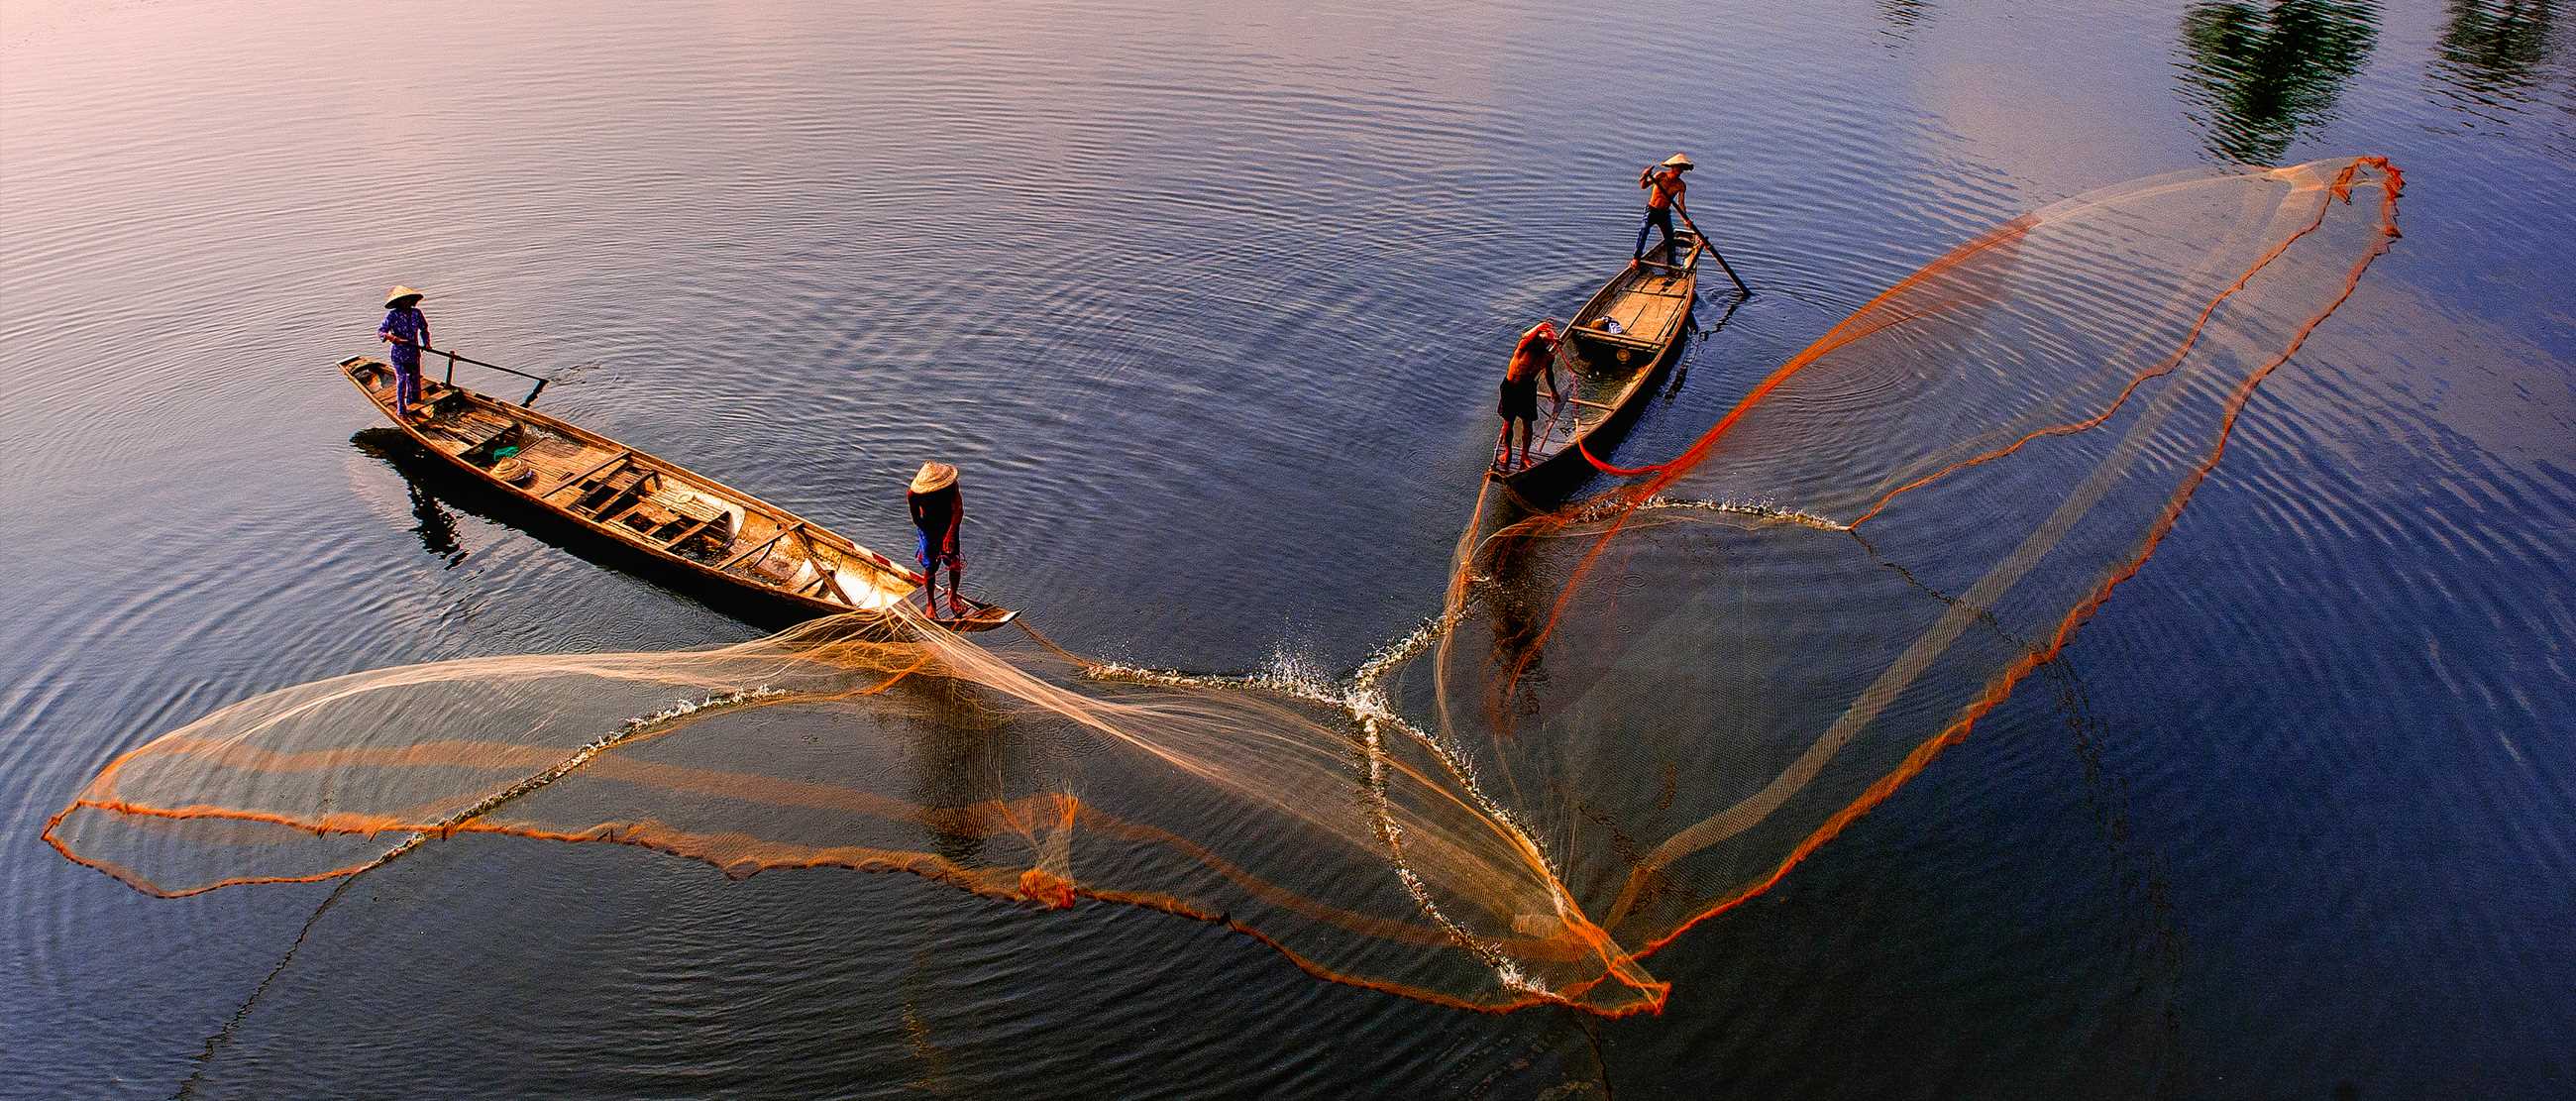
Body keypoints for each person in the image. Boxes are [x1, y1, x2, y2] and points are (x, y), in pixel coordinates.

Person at [1496, 320, 1562, 471]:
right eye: (1542, 338)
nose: (1543, 342)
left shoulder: (1547, 357)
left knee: (1528, 423)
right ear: (1537, 338)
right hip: (1511, 387)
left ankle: (1525, 456)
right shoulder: (1524, 347)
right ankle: (1508, 452)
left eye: (1546, 341)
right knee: (1508, 422)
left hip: (1528, 389)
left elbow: (1549, 374)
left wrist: (1554, 391)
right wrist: (1541, 327)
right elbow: (1527, 337)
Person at [907, 461, 967, 619]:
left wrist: (950, 534)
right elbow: (916, 517)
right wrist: (927, 537)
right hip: (928, 526)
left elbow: (958, 510)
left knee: (953, 562)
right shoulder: (914, 494)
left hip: (948, 524)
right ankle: (930, 603)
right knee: (930, 566)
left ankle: (952, 596)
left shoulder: (951, 486)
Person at [377, 285, 432, 420]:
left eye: (408, 299)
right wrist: (394, 338)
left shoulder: (416, 313)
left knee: (415, 380)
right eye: (403, 300)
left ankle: (415, 405)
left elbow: (424, 329)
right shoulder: (393, 315)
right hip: (399, 354)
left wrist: (427, 344)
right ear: (398, 302)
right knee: (402, 380)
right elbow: (381, 332)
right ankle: (401, 410)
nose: (406, 302)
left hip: (414, 352)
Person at [1633, 153, 1694, 264]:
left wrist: (1686, 220)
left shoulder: (1681, 185)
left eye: (1682, 168)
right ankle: (1636, 258)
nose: (1680, 170)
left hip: (1664, 214)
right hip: (1652, 210)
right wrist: (1645, 175)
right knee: (1643, 232)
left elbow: (1681, 204)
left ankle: (1671, 264)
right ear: (1672, 167)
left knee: (1670, 239)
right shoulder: (1660, 175)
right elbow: (1643, 186)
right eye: (1678, 167)